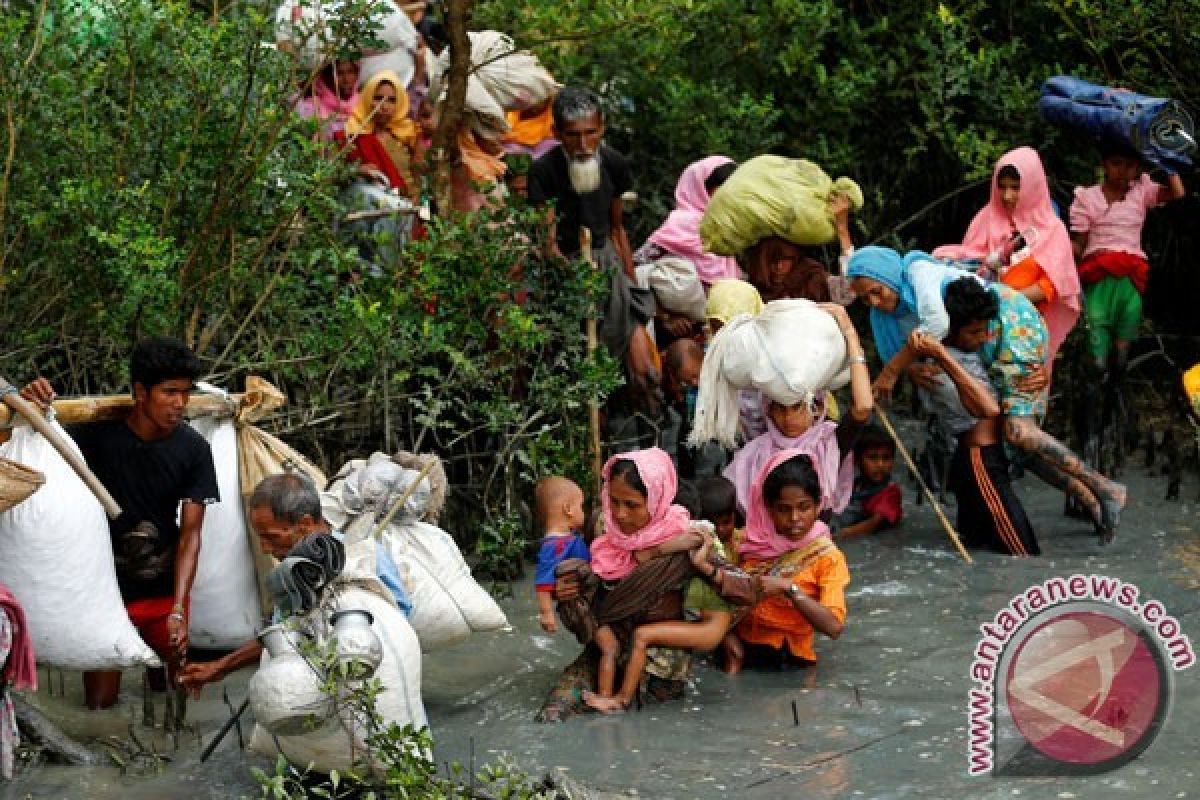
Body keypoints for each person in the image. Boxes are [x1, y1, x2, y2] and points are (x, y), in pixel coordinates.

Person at [21, 337, 219, 710]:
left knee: (170, 694)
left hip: (162, 590)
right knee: (99, 704)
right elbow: (38, 441)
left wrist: (178, 608)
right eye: (169, 392)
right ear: (140, 392)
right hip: (105, 592)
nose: (180, 404)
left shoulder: (193, 449)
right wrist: (33, 406)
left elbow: (191, 535)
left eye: (186, 393)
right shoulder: (95, 437)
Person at [179, 473, 411, 692]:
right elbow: (283, 632)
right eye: (261, 538)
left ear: (306, 524)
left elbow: (399, 621)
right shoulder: (291, 573)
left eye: (272, 537)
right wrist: (220, 667)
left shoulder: (364, 558)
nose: (265, 549)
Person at [940, 276, 1126, 542]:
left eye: (982, 331)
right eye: (974, 333)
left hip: (1019, 335)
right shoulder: (938, 314)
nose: (981, 337)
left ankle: (1106, 488)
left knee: (1019, 433)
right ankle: (1094, 504)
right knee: (1018, 451)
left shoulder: (1005, 323)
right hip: (1007, 345)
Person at [933, 147, 1082, 370]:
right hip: (981, 329)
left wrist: (999, 298)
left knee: (1020, 397)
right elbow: (969, 260)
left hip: (1024, 329)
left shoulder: (1051, 230)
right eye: (1001, 187)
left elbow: (1050, 287)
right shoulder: (986, 218)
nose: (1007, 195)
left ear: (1033, 186)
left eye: (1015, 187)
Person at [723, 303, 873, 516]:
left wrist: (849, 333)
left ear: (816, 408)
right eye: (780, 409)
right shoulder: (754, 452)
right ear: (768, 411)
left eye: (796, 408)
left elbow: (864, 406)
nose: (787, 418)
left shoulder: (829, 442)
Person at [908, 329, 1040, 556]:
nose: (983, 337)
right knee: (1023, 551)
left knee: (980, 545)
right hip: (980, 458)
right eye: (976, 330)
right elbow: (988, 408)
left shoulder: (983, 354)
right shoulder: (938, 365)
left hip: (977, 456)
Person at [1070, 145, 1186, 375]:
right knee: (1097, 359)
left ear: (1139, 168)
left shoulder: (1141, 192)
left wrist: (1167, 161)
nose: (1122, 171)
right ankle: (1091, 403)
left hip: (1131, 280)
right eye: (1116, 163)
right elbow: (1079, 246)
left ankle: (1115, 404)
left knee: (1122, 359)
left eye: (1130, 165)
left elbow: (1178, 193)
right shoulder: (1087, 199)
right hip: (1098, 278)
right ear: (1104, 165)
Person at [728, 450, 849, 672]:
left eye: (804, 507)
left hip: (793, 660)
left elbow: (833, 627)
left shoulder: (826, 557)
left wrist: (790, 589)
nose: (794, 519)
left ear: (817, 505)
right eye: (784, 509)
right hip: (739, 651)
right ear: (768, 509)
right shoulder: (744, 543)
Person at [528, 87, 635, 278]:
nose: (583, 145)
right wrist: (577, 280)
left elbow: (617, 230)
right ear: (557, 133)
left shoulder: (614, 163)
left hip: (605, 260)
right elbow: (548, 244)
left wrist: (630, 277)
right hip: (562, 265)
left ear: (602, 128)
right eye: (573, 135)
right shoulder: (543, 171)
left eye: (590, 133)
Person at [637, 156, 740, 287]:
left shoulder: (726, 224)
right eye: (722, 189)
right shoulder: (683, 222)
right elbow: (643, 258)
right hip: (679, 302)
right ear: (701, 189)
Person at [741, 193, 856, 304]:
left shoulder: (811, 278)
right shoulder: (748, 288)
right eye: (772, 261)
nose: (779, 267)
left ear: (795, 258)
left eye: (785, 259)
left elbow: (846, 293)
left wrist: (842, 230)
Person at [344, 69, 421, 202]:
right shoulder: (354, 133)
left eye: (391, 100)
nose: (384, 106)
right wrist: (356, 170)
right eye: (378, 98)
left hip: (408, 207)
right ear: (367, 98)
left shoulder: (409, 133)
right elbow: (337, 171)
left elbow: (420, 175)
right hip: (368, 207)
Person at [533, 477, 589, 634]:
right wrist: (546, 613)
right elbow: (543, 581)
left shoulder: (567, 538)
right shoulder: (554, 545)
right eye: (581, 506)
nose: (583, 511)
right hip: (579, 606)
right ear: (568, 509)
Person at [832, 424, 902, 539]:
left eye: (886, 458)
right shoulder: (855, 484)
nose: (880, 465)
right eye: (872, 458)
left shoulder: (890, 492)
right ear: (857, 460)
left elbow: (874, 524)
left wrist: (840, 535)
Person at [295, 59, 360, 138]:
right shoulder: (312, 107)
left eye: (350, 72)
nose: (346, 79)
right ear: (328, 77)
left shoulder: (363, 101)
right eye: (339, 73)